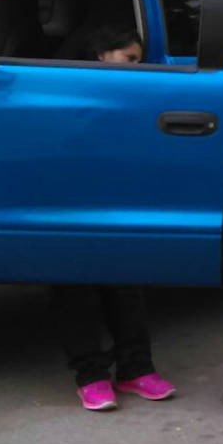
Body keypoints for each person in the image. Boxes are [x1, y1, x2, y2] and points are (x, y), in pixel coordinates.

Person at [53, 25, 176, 412]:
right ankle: (90, 375)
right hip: (71, 205)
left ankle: (136, 368)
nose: (136, 67)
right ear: (101, 54)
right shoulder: (62, 88)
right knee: (77, 288)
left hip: (118, 203)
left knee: (127, 285)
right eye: (130, 58)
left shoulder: (134, 94)